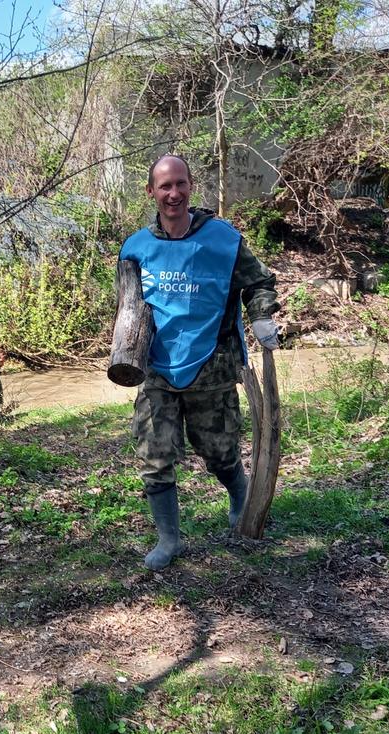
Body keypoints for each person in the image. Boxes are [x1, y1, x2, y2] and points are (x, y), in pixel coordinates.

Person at [119, 155, 281, 571]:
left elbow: (258, 280)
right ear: (151, 192)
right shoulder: (135, 247)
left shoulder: (224, 239)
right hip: (156, 369)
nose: (173, 193)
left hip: (213, 365)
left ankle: (241, 497)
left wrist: (261, 314)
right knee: (154, 456)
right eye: (164, 186)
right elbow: (129, 304)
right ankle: (169, 539)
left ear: (191, 186)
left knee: (219, 451)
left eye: (180, 184)